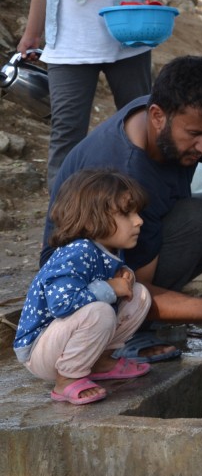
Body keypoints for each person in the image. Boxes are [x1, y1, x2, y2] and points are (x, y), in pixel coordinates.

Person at [43, 56, 202, 360]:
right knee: (193, 219)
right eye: (196, 135)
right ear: (157, 116)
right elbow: (132, 284)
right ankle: (130, 330)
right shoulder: (125, 174)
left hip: (138, 252)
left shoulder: (191, 116)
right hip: (84, 286)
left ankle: (158, 308)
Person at [17, 0, 176, 190]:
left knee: (143, 127)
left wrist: (153, 9)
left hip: (130, 42)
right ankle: (63, 221)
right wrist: (32, 33)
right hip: (68, 44)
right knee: (66, 134)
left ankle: (148, 205)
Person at [15, 170, 154, 405]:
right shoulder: (77, 251)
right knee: (99, 312)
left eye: (136, 212)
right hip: (41, 349)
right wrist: (111, 287)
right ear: (91, 220)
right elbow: (62, 304)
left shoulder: (105, 250)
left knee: (139, 295)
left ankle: (100, 361)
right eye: (126, 213)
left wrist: (125, 278)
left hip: (67, 339)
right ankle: (67, 379)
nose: (138, 220)